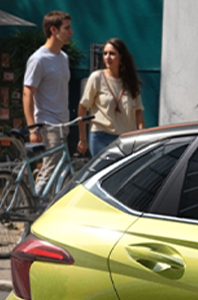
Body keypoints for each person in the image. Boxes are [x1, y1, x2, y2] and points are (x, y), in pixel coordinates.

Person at [22, 10, 74, 181]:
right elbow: (28, 92)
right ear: (53, 30)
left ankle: (42, 203)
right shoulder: (38, 59)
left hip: (62, 124)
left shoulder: (63, 58)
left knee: (57, 173)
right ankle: (40, 208)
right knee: (50, 173)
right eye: (66, 28)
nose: (71, 32)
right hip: (48, 124)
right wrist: (33, 128)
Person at [79, 37, 143, 158]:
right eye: (105, 53)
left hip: (126, 138)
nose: (107, 57)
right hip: (101, 136)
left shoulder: (131, 81)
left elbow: (138, 112)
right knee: (104, 174)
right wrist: (82, 138)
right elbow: (82, 107)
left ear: (121, 56)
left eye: (112, 54)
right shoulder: (97, 77)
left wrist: (141, 135)